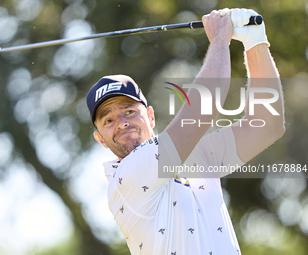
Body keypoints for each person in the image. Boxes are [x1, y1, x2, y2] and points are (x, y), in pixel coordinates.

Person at [86, 8, 285, 255]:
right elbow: (205, 108)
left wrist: (255, 42)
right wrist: (220, 39)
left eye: (128, 111)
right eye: (108, 120)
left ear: (150, 116)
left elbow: (267, 126)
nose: (122, 123)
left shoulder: (195, 156)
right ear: (100, 139)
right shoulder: (125, 178)